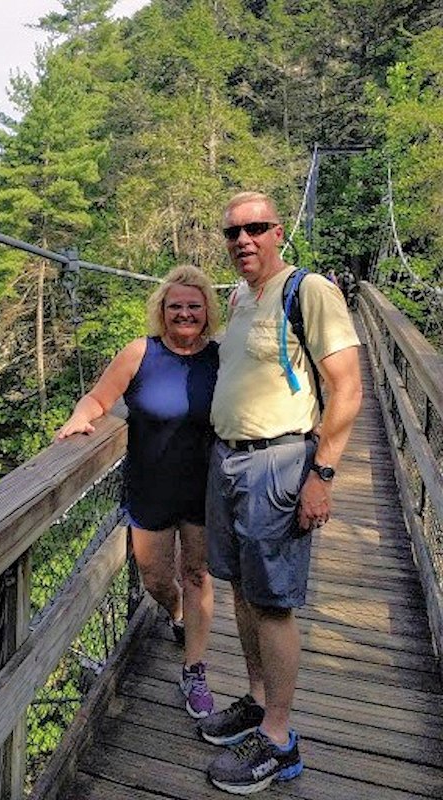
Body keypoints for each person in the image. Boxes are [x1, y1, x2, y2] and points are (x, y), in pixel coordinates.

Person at [199, 191, 363, 794]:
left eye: (257, 228)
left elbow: (347, 390)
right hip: (228, 463)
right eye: (233, 232)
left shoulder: (309, 290)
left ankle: (279, 739)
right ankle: (258, 699)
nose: (244, 240)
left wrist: (322, 475)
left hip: (280, 466)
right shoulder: (240, 298)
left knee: (273, 604)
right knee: (243, 591)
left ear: (278, 231)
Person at [56, 264, 220, 719]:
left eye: (193, 306)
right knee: (154, 577)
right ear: (161, 311)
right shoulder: (139, 353)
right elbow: (98, 398)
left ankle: (195, 667)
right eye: (175, 307)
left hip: (204, 487)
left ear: (207, 310)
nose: (184, 314)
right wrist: (80, 417)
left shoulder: (221, 358)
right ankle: (179, 617)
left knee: (197, 575)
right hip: (150, 485)